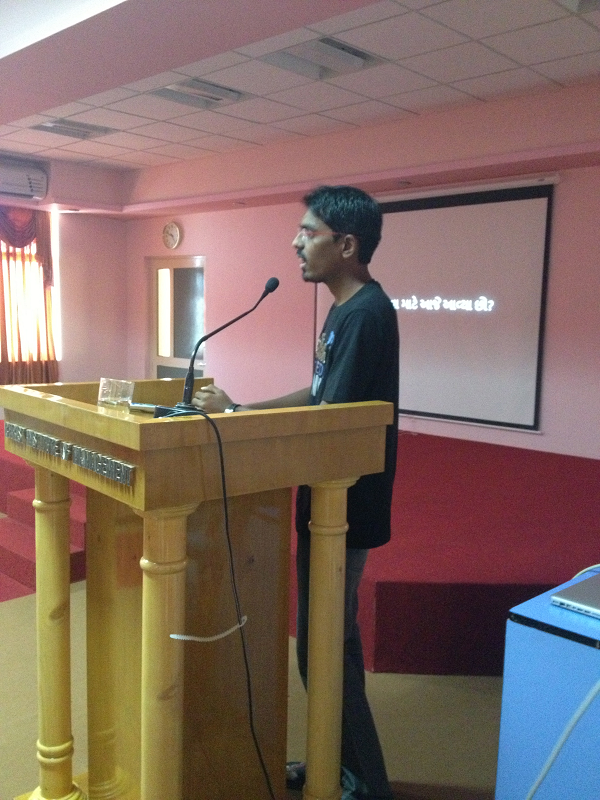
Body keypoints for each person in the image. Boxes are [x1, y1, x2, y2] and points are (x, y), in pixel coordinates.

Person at [193, 185, 399, 800]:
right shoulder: (344, 309)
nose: (295, 242)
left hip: (346, 505)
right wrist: (240, 410)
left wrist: (242, 423)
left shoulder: (365, 314)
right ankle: (336, 759)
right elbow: (318, 395)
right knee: (330, 646)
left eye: (308, 233)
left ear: (347, 244)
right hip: (329, 498)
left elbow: (329, 420)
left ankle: (363, 782)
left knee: (325, 649)